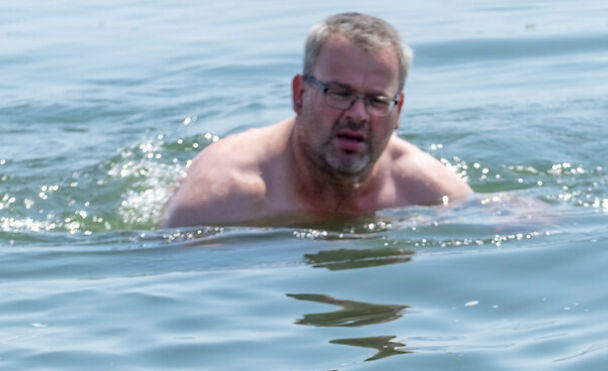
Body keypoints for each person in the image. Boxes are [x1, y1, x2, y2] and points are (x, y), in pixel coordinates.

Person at [162, 12, 472, 228]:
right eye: (339, 93)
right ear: (300, 95)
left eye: (377, 101)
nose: (357, 114)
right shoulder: (226, 194)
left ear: (398, 111)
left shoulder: (428, 191)